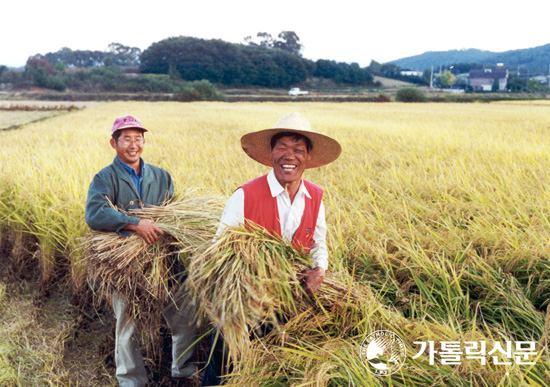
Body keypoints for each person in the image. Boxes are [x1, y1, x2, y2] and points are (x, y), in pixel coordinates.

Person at [202, 111, 342, 386]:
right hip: (242, 302)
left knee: (268, 365)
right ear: (271, 153)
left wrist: (320, 270)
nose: (290, 156)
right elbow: (217, 250)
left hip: (287, 299)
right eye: (282, 148)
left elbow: (318, 243)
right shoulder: (246, 195)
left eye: (298, 150)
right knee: (225, 365)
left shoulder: (315, 196)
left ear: (308, 158)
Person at [85, 115, 197, 387]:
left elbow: (172, 212)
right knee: (128, 324)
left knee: (185, 315)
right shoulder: (105, 177)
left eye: (138, 139)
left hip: (164, 261)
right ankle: (131, 381)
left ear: (144, 142)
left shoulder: (161, 175)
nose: (133, 145)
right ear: (114, 143)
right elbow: (95, 213)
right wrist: (135, 224)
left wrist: (172, 228)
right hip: (127, 267)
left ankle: (182, 372)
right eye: (126, 139)